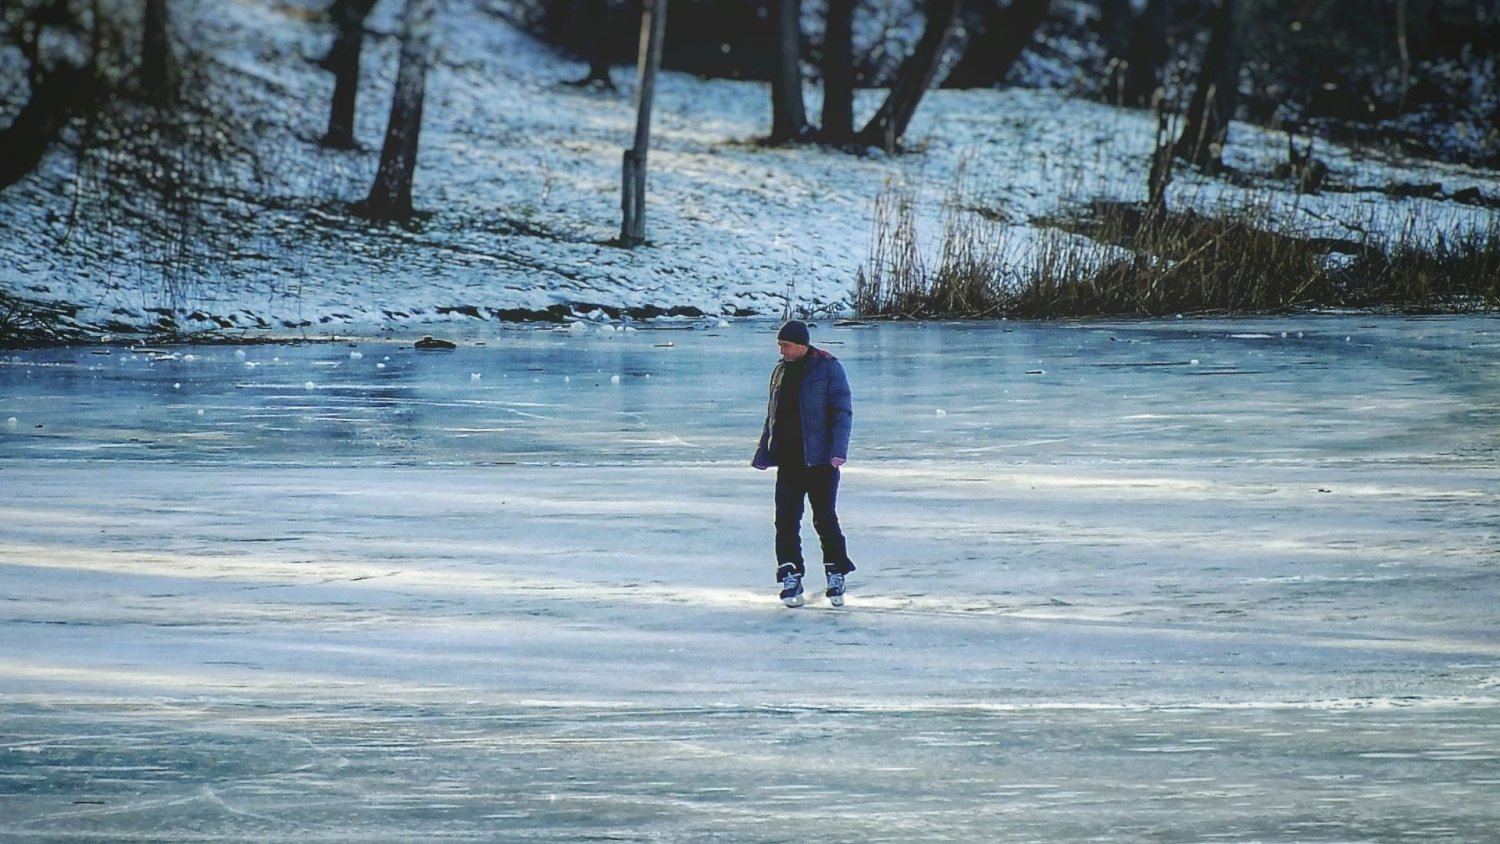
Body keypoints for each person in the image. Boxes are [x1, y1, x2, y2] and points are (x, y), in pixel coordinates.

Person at [752, 319, 856, 607]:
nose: (782, 351)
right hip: (789, 460)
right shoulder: (780, 373)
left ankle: (836, 572)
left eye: (786, 345)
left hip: (822, 461)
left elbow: (842, 411)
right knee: (785, 520)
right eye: (780, 345)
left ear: (801, 344)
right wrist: (764, 452)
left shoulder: (828, 367)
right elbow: (772, 416)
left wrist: (838, 450)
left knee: (824, 518)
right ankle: (790, 574)